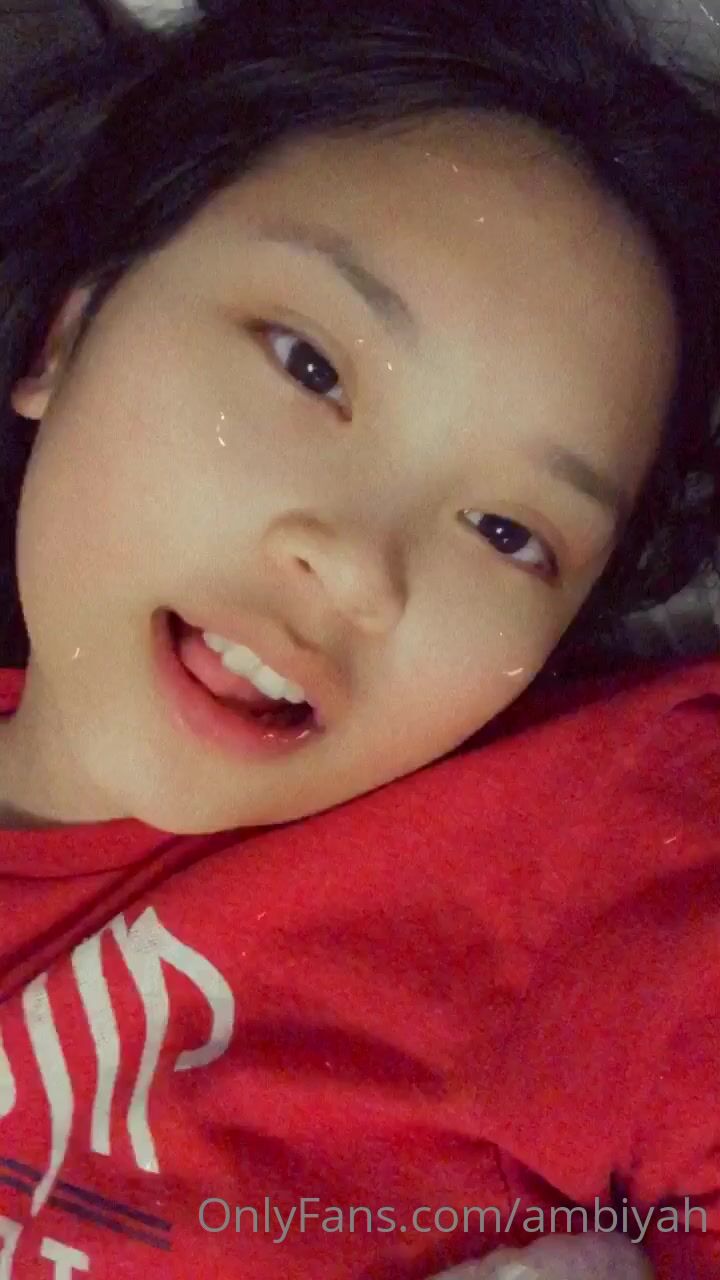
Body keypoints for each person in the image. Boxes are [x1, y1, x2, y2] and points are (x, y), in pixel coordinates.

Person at [0, 1, 718, 1276]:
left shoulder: (582, 853)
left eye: (508, 532)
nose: (356, 568)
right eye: (309, 365)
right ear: (69, 326)